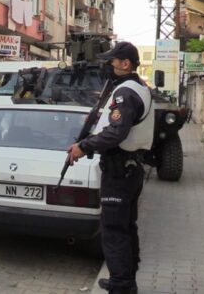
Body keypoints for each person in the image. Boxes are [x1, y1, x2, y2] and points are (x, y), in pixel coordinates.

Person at [66, 42, 153, 294]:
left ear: (125, 63)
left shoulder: (125, 93)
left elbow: (116, 133)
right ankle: (124, 278)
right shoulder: (138, 88)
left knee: (114, 229)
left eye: (112, 61)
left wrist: (84, 146)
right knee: (126, 226)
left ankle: (121, 286)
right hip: (129, 168)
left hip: (119, 171)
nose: (108, 66)